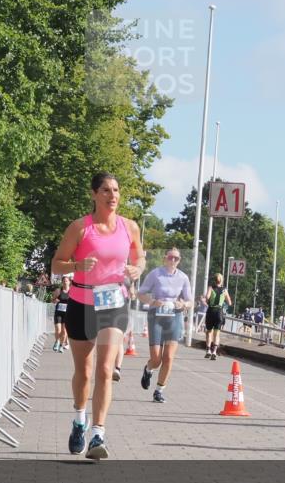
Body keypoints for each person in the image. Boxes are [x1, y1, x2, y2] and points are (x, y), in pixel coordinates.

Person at [51, 172, 144, 460]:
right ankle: (80, 420)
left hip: (114, 302)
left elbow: (139, 256)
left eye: (116, 190)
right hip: (81, 300)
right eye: (105, 190)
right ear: (93, 194)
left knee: (105, 369)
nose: (112, 195)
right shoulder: (80, 228)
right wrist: (77, 264)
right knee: (85, 371)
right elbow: (56, 265)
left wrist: (137, 269)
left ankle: (98, 435)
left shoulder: (129, 227)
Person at [137, 247, 193, 403]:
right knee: (156, 359)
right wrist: (152, 301)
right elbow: (140, 294)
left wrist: (183, 304)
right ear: (165, 258)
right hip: (156, 316)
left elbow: (190, 301)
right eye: (170, 257)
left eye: (176, 258)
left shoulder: (183, 277)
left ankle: (159, 390)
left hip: (174, 316)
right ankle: (148, 370)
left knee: (168, 357)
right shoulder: (155, 274)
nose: (173, 260)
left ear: (179, 260)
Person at [204, 274, 231, 360]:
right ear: (221, 280)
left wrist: (207, 300)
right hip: (219, 312)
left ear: (214, 280)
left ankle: (208, 350)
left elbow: (207, 297)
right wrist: (223, 302)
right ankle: (214, 352)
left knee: (209, 332)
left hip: (211, 311)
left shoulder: (211, 287)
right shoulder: (224, 290)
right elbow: (229, 302)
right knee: (217, 333)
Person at [52, 276, 71, 352]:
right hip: (58, 313)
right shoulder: (58, 291)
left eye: (66, 281)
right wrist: (55, 300)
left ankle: (61, 345)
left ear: (69, 282)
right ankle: (57, 341)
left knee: (64, 331)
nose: (65, 282)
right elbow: (52, 300)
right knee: (58, 330)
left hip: (67, 314)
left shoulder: (72, 291)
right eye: (63, 281)